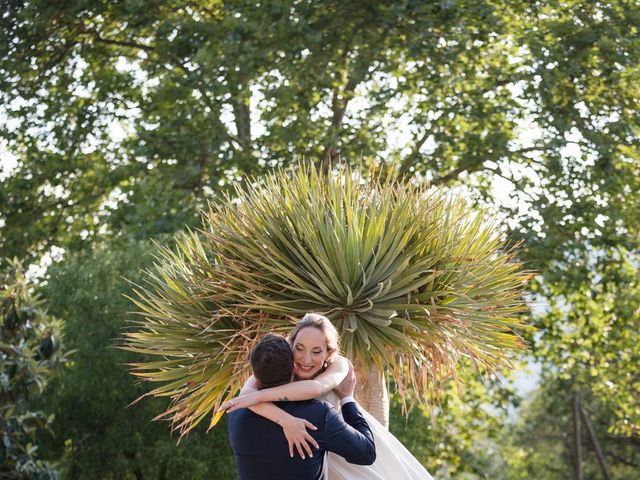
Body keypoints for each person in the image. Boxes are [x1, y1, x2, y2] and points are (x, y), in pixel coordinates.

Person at [221, 313, 434, 479]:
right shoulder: (280, 367)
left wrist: (262, 398)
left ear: (329, 352)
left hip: (345, 448)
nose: (306, 359)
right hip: (316, 457)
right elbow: (246, 397)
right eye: (300, 348)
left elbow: (315, 388)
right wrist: (286, 421)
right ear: (290, 345)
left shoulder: (339, 365)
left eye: (316, 351)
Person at [227, 333, 376, 480]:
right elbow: (366, 454)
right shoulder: (318, 415)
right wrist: (347, 399)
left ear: (254, 372)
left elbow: (250, 388)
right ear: (293, 366)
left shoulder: (235, 413)